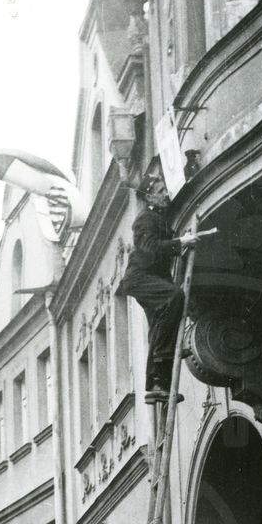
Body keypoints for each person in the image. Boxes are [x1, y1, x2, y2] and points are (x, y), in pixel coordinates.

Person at [114, 172, 200, 403]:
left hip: (151, 277)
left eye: (165, 190)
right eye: (160, 192)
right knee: (174, 297)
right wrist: (179, 243)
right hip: (140, 277)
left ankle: (156, 384)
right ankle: (165, 353)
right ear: (150, 198)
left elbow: (163, 247)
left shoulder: (160, 219)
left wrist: (178, 242)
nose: (165, 195)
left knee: (159, 322)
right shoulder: (145, 219)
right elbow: (150, 248)